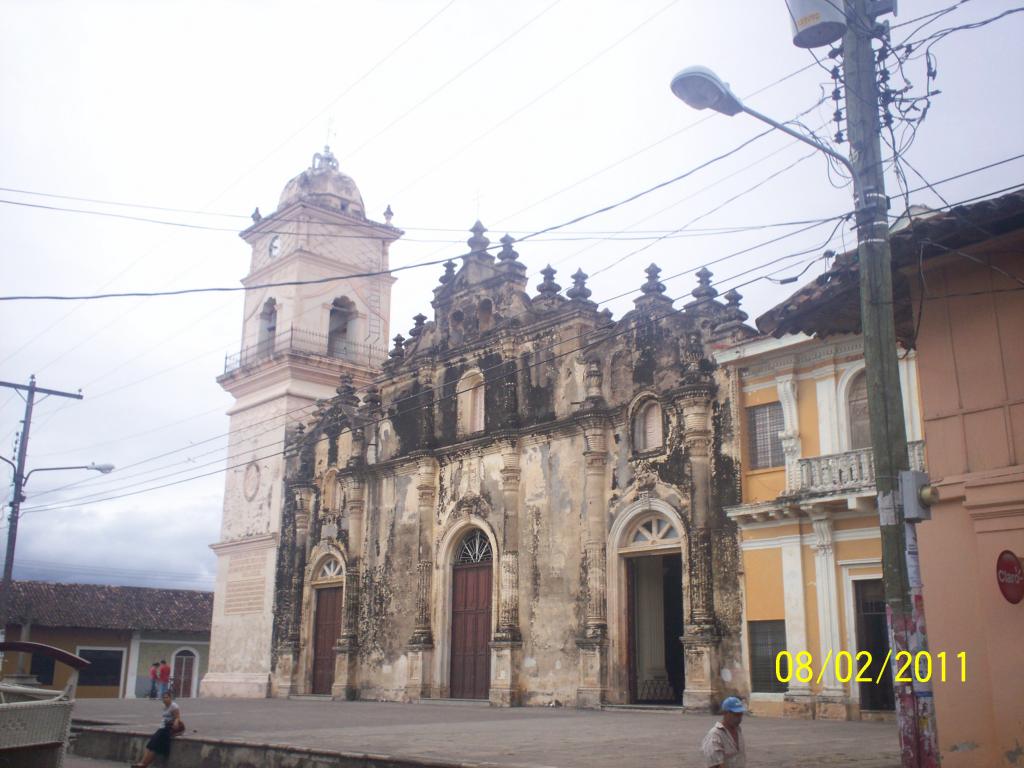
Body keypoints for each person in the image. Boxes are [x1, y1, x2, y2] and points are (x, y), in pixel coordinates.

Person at [131, 690, 182, 768]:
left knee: (154, 747)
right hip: (161, 728)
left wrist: (175, 722)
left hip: (166, 729)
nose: (165, 699)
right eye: (164, 698)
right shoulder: (165, 706)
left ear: (170, 698)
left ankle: (144, 764)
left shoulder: (174, 706)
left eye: (167, 697)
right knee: (150, 745)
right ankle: (142, 762)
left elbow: (177, 717)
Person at [701, 696, 746, 768]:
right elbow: (715, 765)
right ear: (725, 713)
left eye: (741, 714)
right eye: (736, 714)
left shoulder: (738, 730)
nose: (739, 718)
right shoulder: (715, 735)